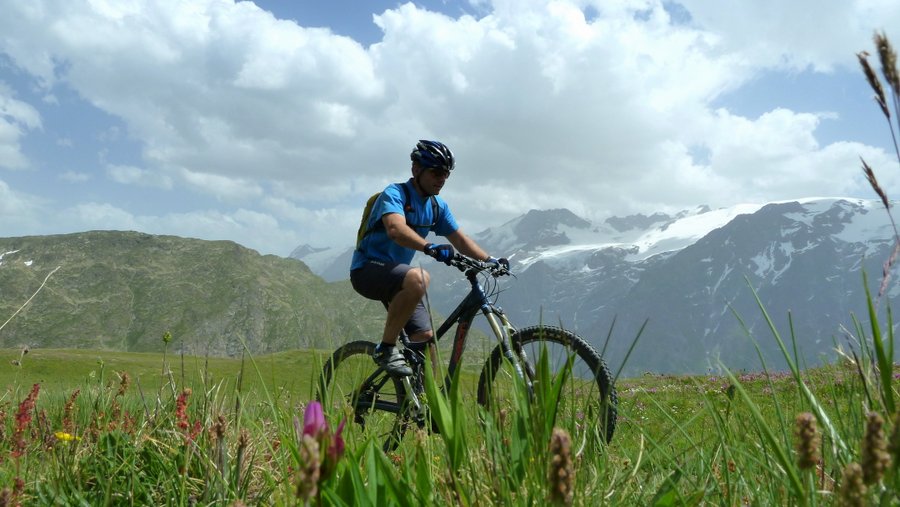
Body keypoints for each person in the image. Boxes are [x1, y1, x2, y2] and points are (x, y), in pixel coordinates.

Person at [350, 140, 502, 376]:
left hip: (399, 277)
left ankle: (423, 406)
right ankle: (386, 349)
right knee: (419, 278)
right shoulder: (395, 194)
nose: (441, 179)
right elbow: (395, 229)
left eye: (446, 174)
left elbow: (460, 240)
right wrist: (429, 246)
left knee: (426, 341)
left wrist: (491, 260)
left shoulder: (436, 206)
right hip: (367, 270)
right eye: (436, 172)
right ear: (416, 170)